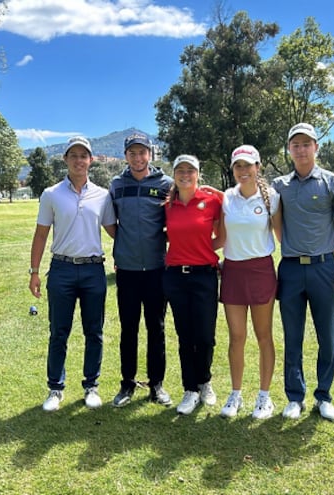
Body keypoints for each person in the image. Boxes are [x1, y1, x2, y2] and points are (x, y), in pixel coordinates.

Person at [272, 123, 334, 421]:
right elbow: (274, 221)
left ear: (316, 147)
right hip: (292, 270)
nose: (301, 149)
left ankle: (324, 396)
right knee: (292, 337)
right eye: (296, 144)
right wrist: (289, 245)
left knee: (327, 337)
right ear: (289, 149)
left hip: (324, 269)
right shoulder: (279, 185)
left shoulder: (333, 182)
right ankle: (295, 397)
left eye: (307, 143)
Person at [29, 136, 116, 412]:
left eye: (84, 155)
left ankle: (91, 386)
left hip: (93, 269)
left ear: (91, 160)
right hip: (62, 269)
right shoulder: (51, 194)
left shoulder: (103, 195)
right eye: (74, 155)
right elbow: (41, 234)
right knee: (59, 332)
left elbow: (115, 231)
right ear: (65, 159)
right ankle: (55, 388)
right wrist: (34, 271)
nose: (79, 160)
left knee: (94, 331)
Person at [216, 145, 282, 419]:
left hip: (261, 271)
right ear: (233, 170)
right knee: (237, 337)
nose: (243, 171)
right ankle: (235, 394)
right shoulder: (226, 198)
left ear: (258, 167)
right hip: (232, 271)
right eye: (238, 166)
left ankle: (264, 397)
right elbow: (219, 239)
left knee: (263, 335)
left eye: (247, 165)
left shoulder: (272, 199)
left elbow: (283, 237)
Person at [109, 132, 173, 408]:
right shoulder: (116, 185)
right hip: (127, 269)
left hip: (157, 268)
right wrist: (124, 243)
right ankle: (127, 383)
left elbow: (176, 221)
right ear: (126, 156)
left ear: (150, 154)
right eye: (132, 153)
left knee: (156, 328)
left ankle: (156, 384)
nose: (137, 157)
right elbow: (110, 222)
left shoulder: (165, 184)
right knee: (128, 328)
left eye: (142, 152)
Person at [163, 154, 222, 415]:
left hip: (204, 275)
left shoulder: (212, 201)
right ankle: (190, 389)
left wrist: (202, 251)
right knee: (185, 335)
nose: (185, 175)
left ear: (198, 174)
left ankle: (205, 381)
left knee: (205, 336)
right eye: (180, 170)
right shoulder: (167, 205)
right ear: (174, 174)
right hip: (176, 276)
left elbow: (222, 236)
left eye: (190, 170)